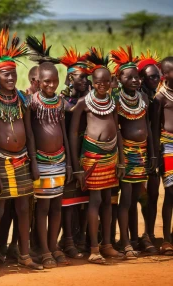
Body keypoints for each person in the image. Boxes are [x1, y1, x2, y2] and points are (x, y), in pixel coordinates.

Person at [0, 28, 41, 272]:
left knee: (23, 208)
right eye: (6, 74)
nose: (11, 78)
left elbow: (29, 134)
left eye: (14, 74)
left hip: (23, 160)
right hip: (0, 161)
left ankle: (24, 254)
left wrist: (35, 163)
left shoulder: (22, 101)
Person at [69, 47, 125, 264]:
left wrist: (121, 160)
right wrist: (76, 166)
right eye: (98, 83)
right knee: (95, 200)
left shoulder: (112, 102)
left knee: (108, 201)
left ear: (111, 82)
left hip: (111, 156)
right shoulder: (84, 103)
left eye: (106, 82)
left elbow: (117, 131)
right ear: (93, 83)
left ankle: (108, 244)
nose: (102, 86)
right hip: (92, 156)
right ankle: (94, 248)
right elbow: (74, 134)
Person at [26, 33, 72, 268]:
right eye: (46, 82)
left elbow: (63, 131)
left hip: (60, 160)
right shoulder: (31, 102)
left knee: (57, 205)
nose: (51, 85)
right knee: (42, 207)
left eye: (54, 81)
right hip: (41, 162)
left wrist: (70, 163)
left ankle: (53, 246)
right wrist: (33, 161)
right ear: (38, 81)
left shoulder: (61, 102)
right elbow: (30, 134)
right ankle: (43, 250)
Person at [110, 45, 155, 259]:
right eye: (130, 78)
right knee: (125, 199)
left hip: (143, 153)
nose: (136, 80)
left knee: (138, 197)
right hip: (126, 153)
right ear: (120, 80)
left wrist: (152, 155)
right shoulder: (117, 100)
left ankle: (135, 239)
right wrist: (120, 157)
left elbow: (148, 127)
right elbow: (116, 131)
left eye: (137, 76)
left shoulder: (143, 98)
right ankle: (125, 241)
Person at [58, 46, 90, 258]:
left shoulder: (90, 99)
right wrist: (71, 163)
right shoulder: (63, 101)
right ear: (69, 79)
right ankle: (67, 240)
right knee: (68, 200)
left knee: (85, 199)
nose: (84, 81)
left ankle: (82, 238)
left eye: (86, 77)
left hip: (88, 152)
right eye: (80, 78)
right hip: (69, 152)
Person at [136, 50, 161, 255]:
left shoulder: (155, 97)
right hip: (138, 152)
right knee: (136, 196)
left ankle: (148, 234)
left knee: (151, 195)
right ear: (141, 77)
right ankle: (136, 237)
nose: (155, 79)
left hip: (154, 151)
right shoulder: (141, 97)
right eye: (151, 76)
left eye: (157, 76)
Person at [152, 56, 173, 256]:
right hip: (167, 146)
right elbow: (155, 127)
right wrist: (156, 154)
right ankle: (166, 238)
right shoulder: (160, 98)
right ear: (165, 75)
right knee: (170, 192)